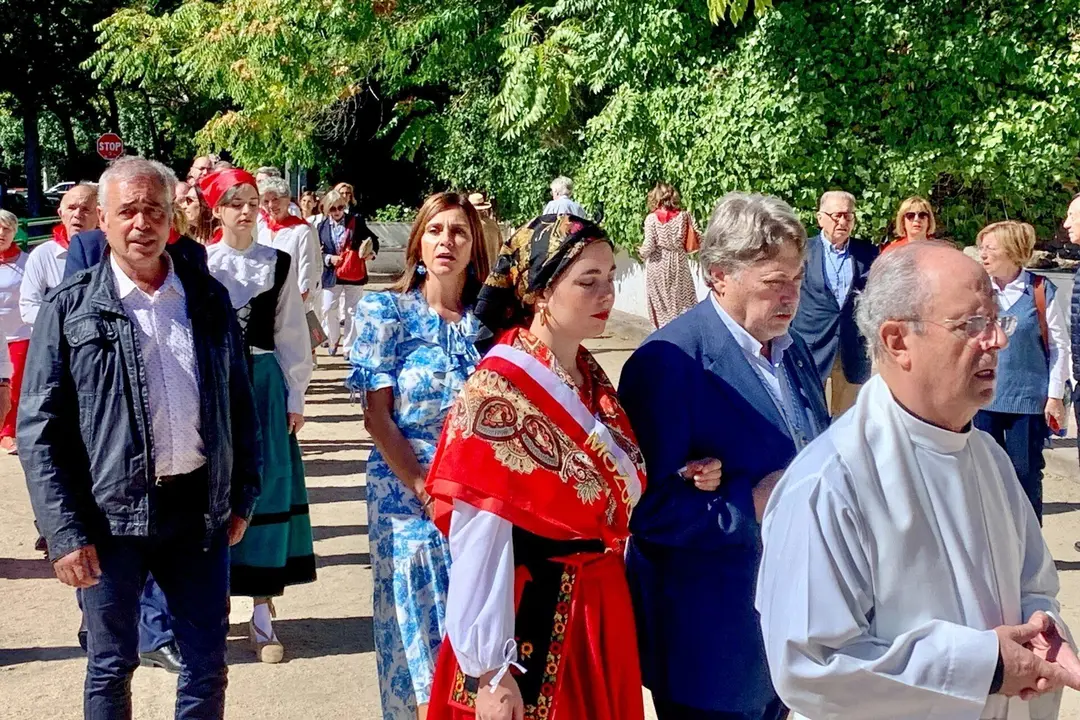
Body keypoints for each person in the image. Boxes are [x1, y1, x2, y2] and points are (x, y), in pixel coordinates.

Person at [757, 240, 1080, 719]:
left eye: (997, 321)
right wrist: (984, 666)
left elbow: (1034, 584)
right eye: (973, 324)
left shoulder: (989, 458)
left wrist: (1042, 632)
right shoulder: (831, 482)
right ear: (897, 341)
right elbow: (809, 665)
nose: (998, 340)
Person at [18, 156, 261, 719]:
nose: (141, 223)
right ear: (102, 219)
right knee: (111, 665)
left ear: (172, 218)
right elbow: (38, 428)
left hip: (197, 512)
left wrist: (243, 493)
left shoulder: (206, 298)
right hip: (108, 517)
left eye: (154, 210)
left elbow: (240, 404)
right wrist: (63, 531)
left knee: (206, 664)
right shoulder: (69, 305)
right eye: (127, 211)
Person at [423, 213, 646, 720]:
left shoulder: (590, 378)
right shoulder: (498, 390)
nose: (607, 293)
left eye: (611, 277)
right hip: (529, 618)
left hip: (598, 605)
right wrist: (489, 670)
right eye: (588, 281)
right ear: (540, 292)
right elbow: (480, 534)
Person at [619, 192, 829, 720]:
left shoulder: (793, 350)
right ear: (718, 275)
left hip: (787, 634)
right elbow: (645, 512)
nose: (791, 296)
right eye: (774, 281)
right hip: (709, 652)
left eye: (797, 279)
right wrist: (749, 502)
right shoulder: (668, 363)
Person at [345, 192, 489, 719]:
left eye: (459, 232)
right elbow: (376, 418)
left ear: (474, 247)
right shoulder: (386, 311)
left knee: (480, 634)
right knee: (419, 629)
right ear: (418, 244)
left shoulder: (487, 324)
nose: (446, 241)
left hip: (480, 497)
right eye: (435, 230)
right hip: (407, 492)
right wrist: (427, 491)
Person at [198, 168, 316, 663]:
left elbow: (291, 331)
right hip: (216, 385)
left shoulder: (278, 262)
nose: (246, 210)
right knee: (213, 487)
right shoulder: (200, 263)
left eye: (251, 201)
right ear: (217, 211)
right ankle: (213, 604)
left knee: (265, 484)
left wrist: (295, 395)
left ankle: (263, 609)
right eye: (234, 203)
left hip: (264, 381)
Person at [974, 221, 1067, 524]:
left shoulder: (1040, 291)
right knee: (984, 477)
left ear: (1012, 251)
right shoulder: (978, 290)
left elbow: (1059, 347)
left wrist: (1054, 396)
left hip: (1027, 403)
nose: (983, 254)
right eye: (982, 247)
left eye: (990, 248)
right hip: (982, 401)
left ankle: (1028, 545)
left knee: (1024, 476)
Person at [791, 190, 878, 415]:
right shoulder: (802, 251)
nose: (843, 221)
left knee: (848, 419)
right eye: (837, 215)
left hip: (852, 350)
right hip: (811, 346)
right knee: (809, 414)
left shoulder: (867, 253)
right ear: (820, 218)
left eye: (848, 216)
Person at [20, 183, 98, 325]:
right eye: (71, 208)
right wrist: (66, 323)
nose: (77, 214)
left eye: (86, 209)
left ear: (100, 216)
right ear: (61, 214)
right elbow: (28, 308)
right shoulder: (42, 255)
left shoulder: (110, 253)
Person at [318, 189, 379, 354]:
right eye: (333, 208)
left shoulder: (356, 221)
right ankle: (333, 339)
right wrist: (329, 258)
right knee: (328, 308)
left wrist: (371, 254)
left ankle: (349, 347)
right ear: (326, 209)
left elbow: (373, 239)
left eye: (340, 207)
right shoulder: (321, 227)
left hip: (354, 271)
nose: (337, 211)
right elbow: (316, 251)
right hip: (332, 273)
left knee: (352, 311)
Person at [258, 176, 321, 313]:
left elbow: (307, 272)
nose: (271, 205)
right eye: (266, 201)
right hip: (264, 303)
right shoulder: (262, 230)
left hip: (291, 304)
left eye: (275, 199)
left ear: (287, 200)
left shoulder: (301, 230)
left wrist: (296, 305)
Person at [640, 182, 699, 328]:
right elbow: (698, 237)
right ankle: (686, 330)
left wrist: (641, 252)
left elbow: (649, 246)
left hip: (658, 264)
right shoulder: (684, 216)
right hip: (680, 263)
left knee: (661, 304)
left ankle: (665, 332)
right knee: (683, 301)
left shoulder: (652, 219)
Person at [0, 209, 29, 454]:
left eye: (7, 229)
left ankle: (8, 432)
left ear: (15, 232)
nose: (1, 233)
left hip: (18, 334)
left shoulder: (26, 262)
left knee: (13, 385)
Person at [467, 192, 502, 270]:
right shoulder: (493, 225)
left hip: (477, 271)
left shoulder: (471, 226)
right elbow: (501, 248)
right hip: (493, 269)